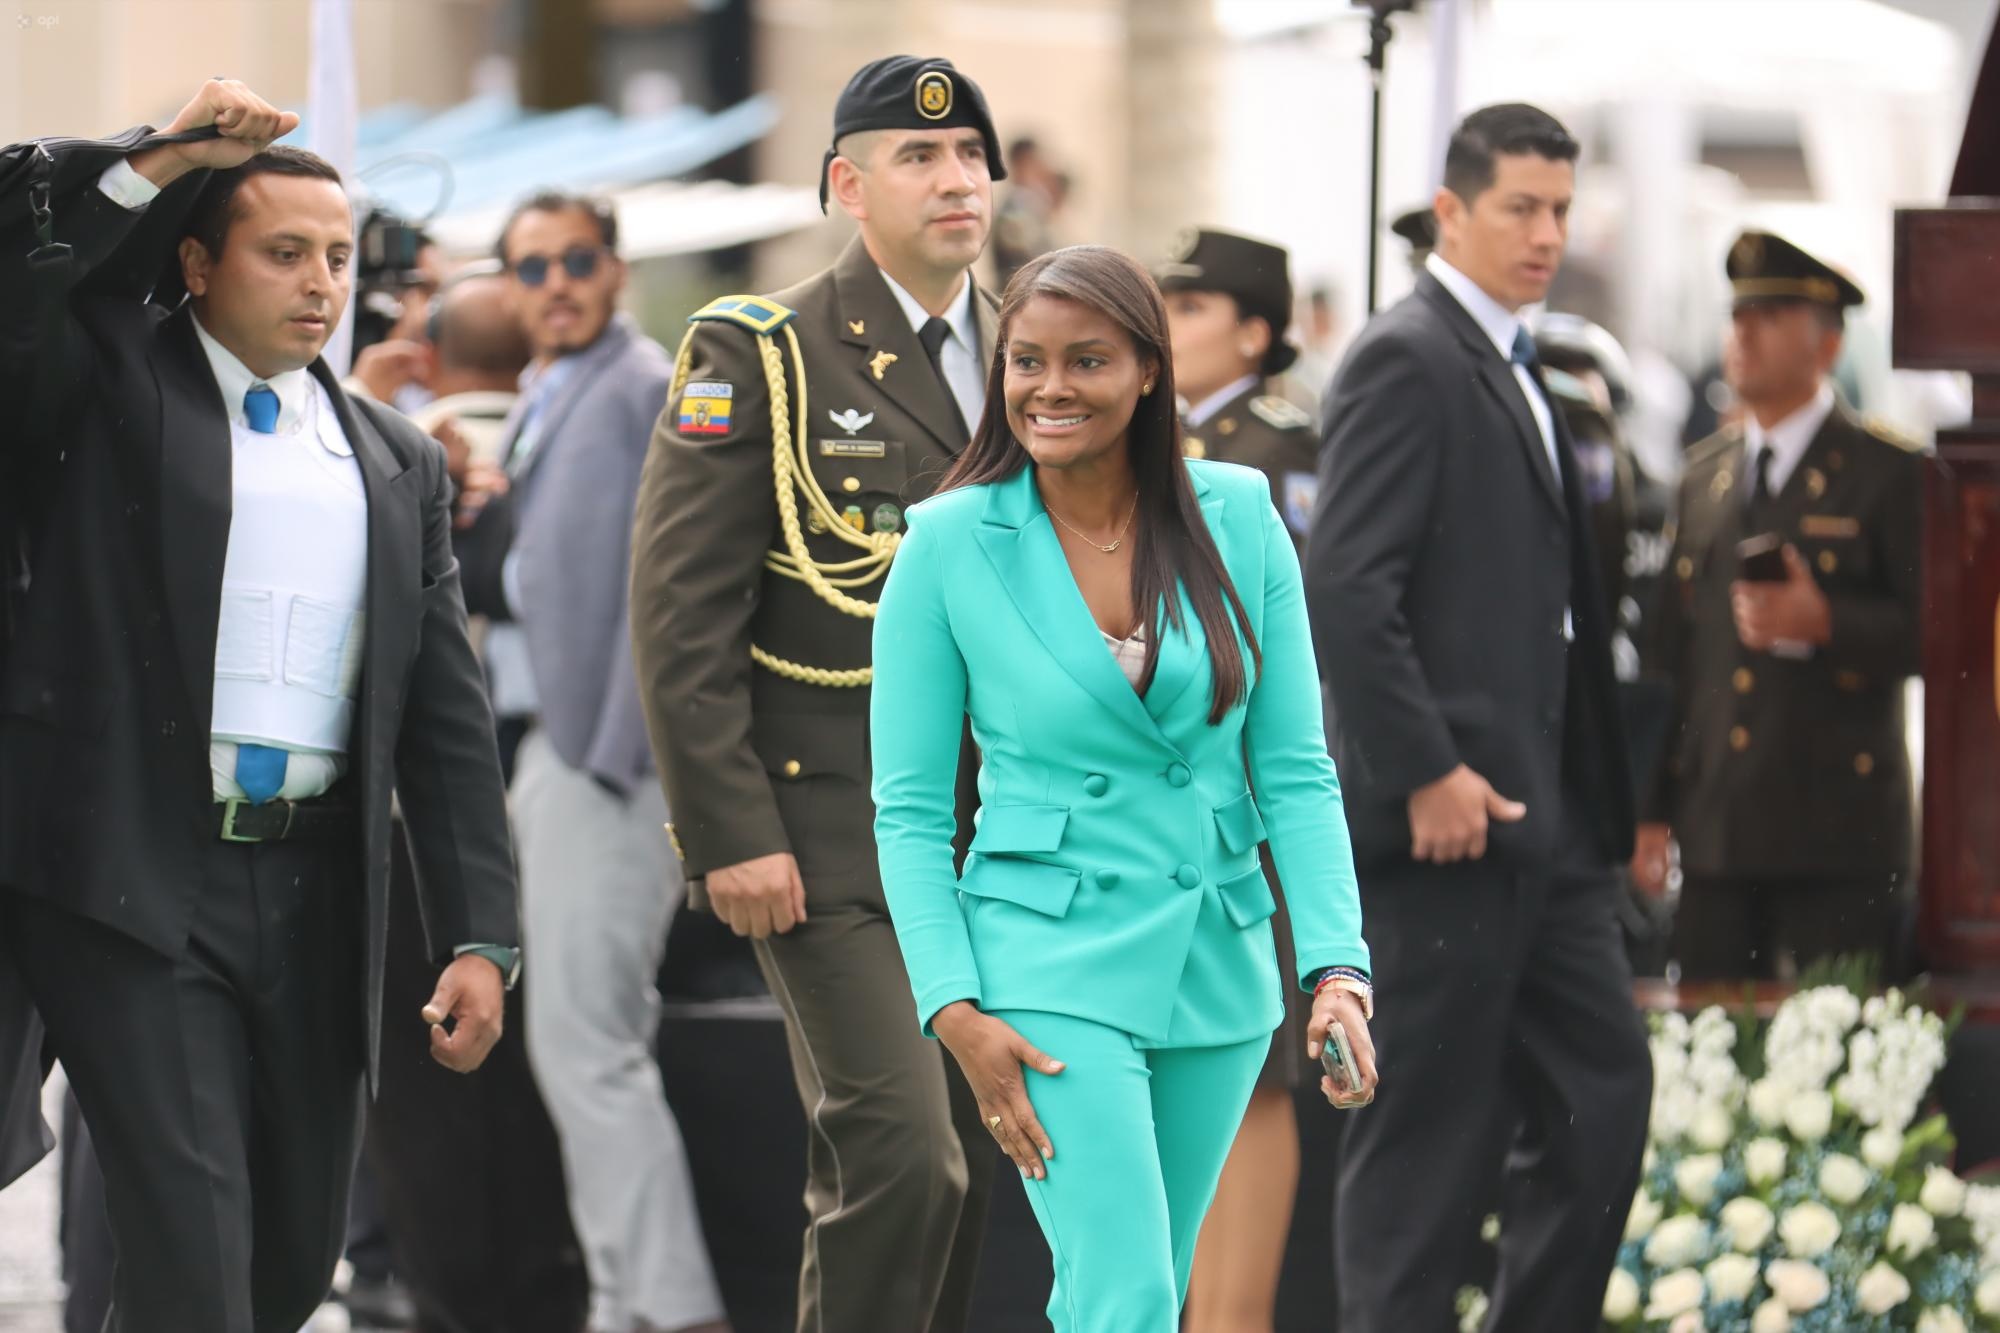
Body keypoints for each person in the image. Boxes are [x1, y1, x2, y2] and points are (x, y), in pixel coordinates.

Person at [0, 79, 517, 1331]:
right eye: (283, 254)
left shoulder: (398, 460)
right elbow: (23, 285)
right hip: (133, 886)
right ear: (195, 264)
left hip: (320, 894)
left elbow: (444, 722)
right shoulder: (106, 385)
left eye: (336, 257)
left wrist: (481, 935)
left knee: (284, 1267)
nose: (319, 283)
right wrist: (157, 158)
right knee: (195, 1248)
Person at [869, 243, 1376, 1332]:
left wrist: (1337, 968)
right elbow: (908, 812)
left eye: (1086, 360)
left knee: (1120, 1297)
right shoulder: (947, 541)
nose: (1050, 387)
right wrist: (951, 1007)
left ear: (1149, 370)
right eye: (1027, 361)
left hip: (1214, 966)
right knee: (1131, 1296)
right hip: (1043, 962)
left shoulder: (1241, 514)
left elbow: (1296, 770)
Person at [629, 55, 1006, 1333]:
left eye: (970, 157)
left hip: (994, 836)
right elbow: (682, 613)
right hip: (829, 835)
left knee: (972, 1166)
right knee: (902, 1152)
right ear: (847, 185)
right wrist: (727, 829)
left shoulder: (1029, 348)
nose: (955, 181)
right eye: (919, 157)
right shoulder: (762, 350)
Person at [1309, 103, 1651, 1333]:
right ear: (1450, 211)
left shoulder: (1516, 362)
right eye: (1519, 207)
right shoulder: (1406, 356)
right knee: (1420, 1161)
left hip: (1544, 834)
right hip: (1443, 831)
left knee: (1603, 1104)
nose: (1545, 233)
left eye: (1559, 209)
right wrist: (1424, 769)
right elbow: (1345, 587)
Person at [455, 188, 729, 1333]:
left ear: (615, 270)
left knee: (588, 1046)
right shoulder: (553, 390)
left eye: (575, 260)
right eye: (531, 267)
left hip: (603, 761)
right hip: (550, 750)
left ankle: (666, 1308)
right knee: (574, 1045)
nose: (556, 283)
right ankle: (627, 1302)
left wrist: (620, 753)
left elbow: (681, 579)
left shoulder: (638, 385)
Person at [1635, 230, 1922, 981]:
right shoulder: (1703, 477)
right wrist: (1651, 809)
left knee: (1836, 1046)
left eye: (1769, 317)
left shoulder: (1889, 472)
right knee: (1710, 1039)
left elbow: (1938, 640)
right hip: (1718, 832)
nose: (1743, 334)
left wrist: (1827, 623)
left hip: (1839, 837)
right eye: (1737, 316)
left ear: (1827, 345)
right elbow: (1671, 657)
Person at [1155, 225, 1319, 1333]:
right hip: (1159, 802)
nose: (1167, 329)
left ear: (1256, 334)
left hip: (1245, 797)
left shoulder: (1282, 455)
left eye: (1192, 308)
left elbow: (1293, 646)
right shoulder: (1152, 443)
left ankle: (1232, 1317)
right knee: (1178, 1065)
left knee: (1249, 1070)